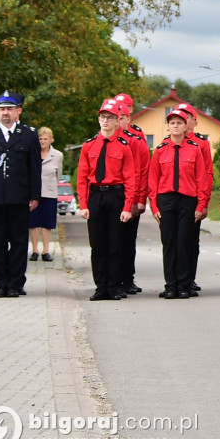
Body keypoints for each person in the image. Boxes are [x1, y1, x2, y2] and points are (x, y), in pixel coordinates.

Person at [0, 90, 42, 298]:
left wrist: (35, 195)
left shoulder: (29, 135)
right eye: (2, 109)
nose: (5, 113)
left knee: (19, 242)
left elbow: (34, 168)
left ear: (18, 111)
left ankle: (15, 283)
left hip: (19, 198)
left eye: (9, 109)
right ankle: (0, 284)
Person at [78, 99, 137, 301]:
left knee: (115, 245)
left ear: (117, 121)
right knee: (98, 246)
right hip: (95, 195)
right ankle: (100, 287)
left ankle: (113, 287)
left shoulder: (124, 146)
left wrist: (128, 206)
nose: (105, 121)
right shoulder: (88, 146)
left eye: (110, 118)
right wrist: (83, 204)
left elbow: (130, 179)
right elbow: (82, 178)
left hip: (115, 195)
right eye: (102, 117)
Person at [149, 109, 211, 299]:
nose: (175, 126)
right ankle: (171, 285)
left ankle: (184, 285)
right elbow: (153, 180)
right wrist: (154, 206)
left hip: (187, 199)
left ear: (186, 127)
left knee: (184, 242)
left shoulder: (194, 149)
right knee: (169, 243)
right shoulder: (160, 150)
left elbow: (201, 178)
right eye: (172, 123)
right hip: (166, 199)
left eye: (179, 123)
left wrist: (201, 205)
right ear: (168, 127)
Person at [173, 102, 212, 293]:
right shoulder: (170, 141)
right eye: (180, 116)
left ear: (193, 121)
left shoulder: (201, 143)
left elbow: (206, 174)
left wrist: (203, 202)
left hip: (193, 198)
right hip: (174, 198)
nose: (184, 120)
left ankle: (189, 277)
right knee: (175, 240)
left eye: (187, 117)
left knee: (190, 240)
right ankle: (178, 279)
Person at [114, 93, 149, 294]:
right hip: (114, 195)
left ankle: (127, 278)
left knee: (128, 242)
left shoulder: (136, 138)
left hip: (132, 196)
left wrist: (139, 199)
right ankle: (114, 279)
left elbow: (141, 170)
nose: (118, 120)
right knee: (115, 241)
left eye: (122, 115)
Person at [29, 127, 62, 262]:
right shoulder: (32, 153)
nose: (42, 141)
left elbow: (58, 174)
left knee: (47, 223)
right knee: (33, 223)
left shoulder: (58, 155)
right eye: (40, 139)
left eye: (45, 139)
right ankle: (35, 250)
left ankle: (46, 251)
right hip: (33, 193)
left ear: (51, 140)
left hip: (49, 193)